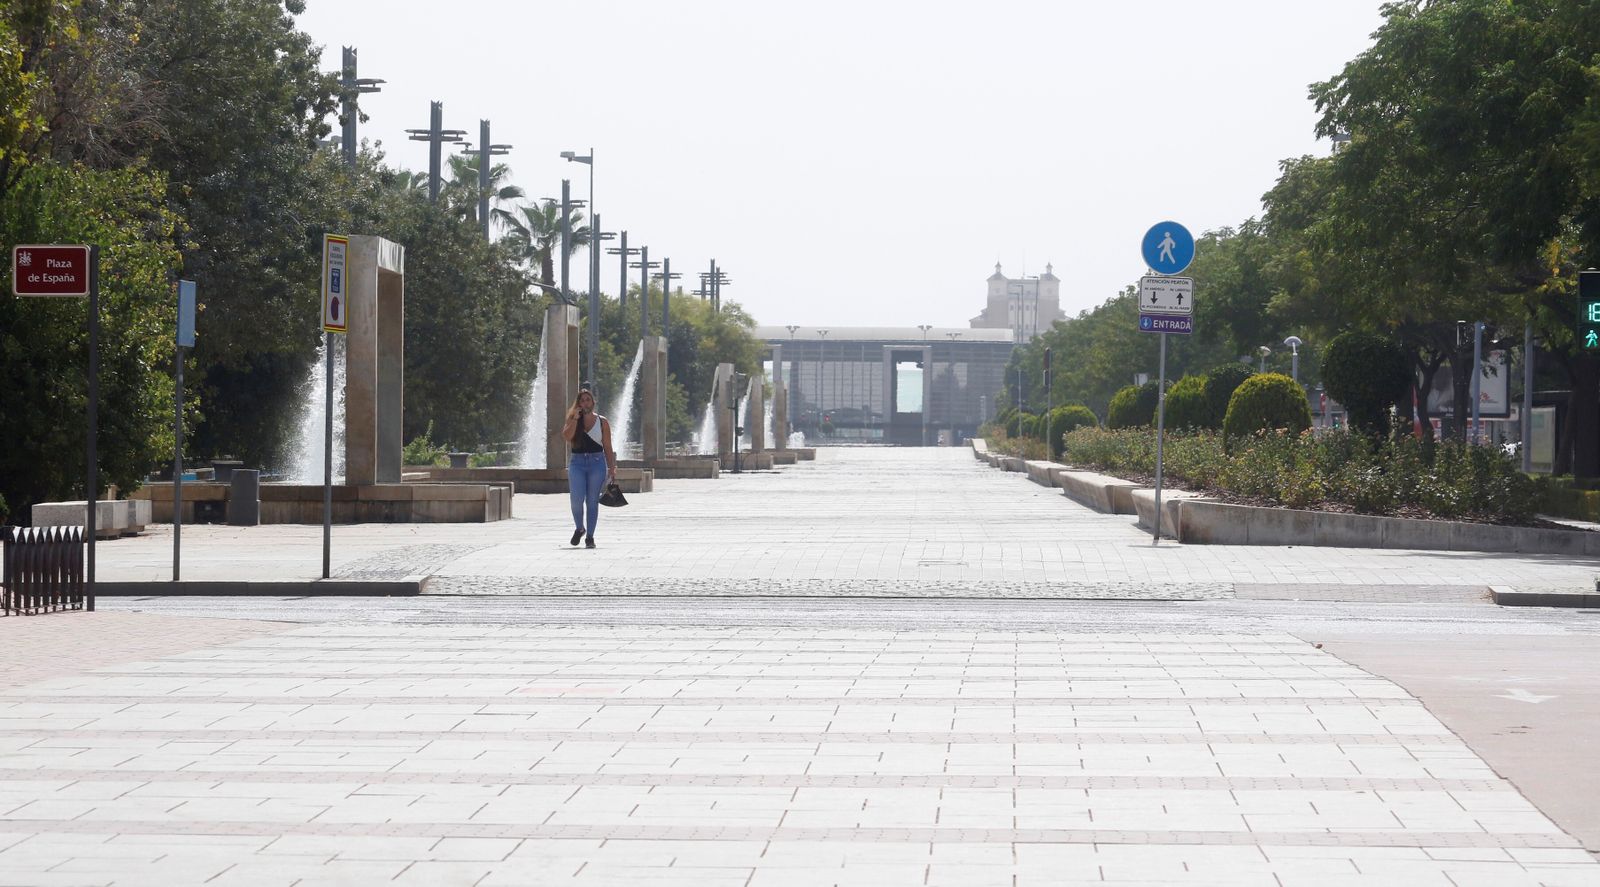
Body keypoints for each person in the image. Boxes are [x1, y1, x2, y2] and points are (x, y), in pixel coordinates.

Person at [561, 388, 616, 549]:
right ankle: (580, 528)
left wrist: (612, 468)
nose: (585, 403)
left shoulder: (602, 422)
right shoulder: (573, 418)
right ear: (578, 403)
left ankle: (590, 537)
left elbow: (607, 446)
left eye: (588, 400)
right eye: (582, 400)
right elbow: (567, 437)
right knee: (576, 499)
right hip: (577, 463)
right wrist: (575, 419)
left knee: (592, 501)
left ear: (593, 402)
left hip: (597, 463)